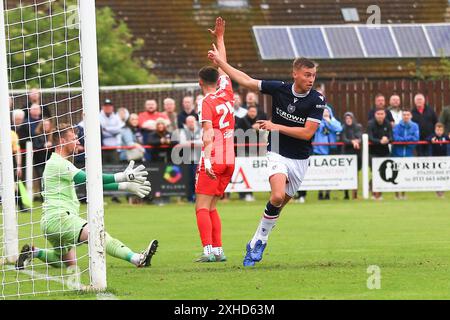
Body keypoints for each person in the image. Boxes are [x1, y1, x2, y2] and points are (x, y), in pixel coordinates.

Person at [208, 19, 325, 267]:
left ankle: (255, 240)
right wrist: (220, 62)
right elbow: (247, 80)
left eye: (313, 75)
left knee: (279, 206)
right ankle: (260, 241)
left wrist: (276, 125)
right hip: (278, 152)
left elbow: (306, 133)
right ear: (295, 74)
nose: (311, 79)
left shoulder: (317, 100)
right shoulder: (280, 88)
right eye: (307, 75)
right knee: (277, 196)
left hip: (301, 159)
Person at [15, 123, 158, 270]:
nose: (78, 141)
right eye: (74, 138)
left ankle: (34, 252)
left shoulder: (59, 163)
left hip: (50, 222)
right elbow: (87, 178)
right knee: (98, 234)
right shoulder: (58, 163)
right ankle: (138, 258)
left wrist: (124, 186)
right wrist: (122, 176)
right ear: (63, 141)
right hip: (60, 219)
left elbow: (91, 185)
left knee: (65, 262)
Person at [193, 17, 235, 263]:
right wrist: (219, 39)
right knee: (213, 206)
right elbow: (225, 66)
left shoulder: (206, 102)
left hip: (215, 157)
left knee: (201, 206)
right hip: (230, 156)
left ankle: (208, 250)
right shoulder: (227, 92)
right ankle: (218, 250)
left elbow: (208, 132)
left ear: (200, 83)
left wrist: (207, 161)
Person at [312, 107, 342, 200]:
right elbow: (314, 129)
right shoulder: (318, 121)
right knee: (320, 173)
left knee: (330, 173)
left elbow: (339, 129)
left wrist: (329, 121)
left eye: (327, 111)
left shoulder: (333, 121)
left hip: (331, 150)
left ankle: (328, 193)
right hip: (319, 150)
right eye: (323, 111)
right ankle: (320, 192)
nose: (325, 113)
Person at [392, 108, 419, 200]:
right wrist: (407, 139)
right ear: (402, 116)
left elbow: (416, 138)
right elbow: (395, 138)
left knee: (405, 174)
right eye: (404, 115)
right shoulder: (397, 126)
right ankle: (396, 194)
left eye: (408, 115)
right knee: (395, 173)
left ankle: (403, 194)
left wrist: (404, 140)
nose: (406, 116)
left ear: (411, 116)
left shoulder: (415, 126)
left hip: (409, 152)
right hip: (396, 153)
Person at [367, 109, 392, 200]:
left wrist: (388, 139)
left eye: (382, 114)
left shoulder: (388, 123)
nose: (380, 115)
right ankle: (374, 194)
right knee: (375, 173)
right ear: (375, 114)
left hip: (385, 152)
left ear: (385, 115)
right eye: (378, 114)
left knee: (382, 173)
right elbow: (370, 137)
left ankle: (379, 193)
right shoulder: (370, 124)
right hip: (373, 152)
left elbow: (391, 136)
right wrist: (380, 141)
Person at [177, 115, 202, 203]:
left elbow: (203, 143)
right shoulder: (183, 132)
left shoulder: (201, 131)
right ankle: (190, 198)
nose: (190, 123)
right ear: (186, 123)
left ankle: (198, 197)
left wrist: (190, 143)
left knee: (197, 179)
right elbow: (182, 144)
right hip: (187, 159)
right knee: (189, 179)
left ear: (195, 122)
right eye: (189, 122)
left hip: (198, 159)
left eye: (192, 121)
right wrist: (195, 144)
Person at [341, 112, 362, 200]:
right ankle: (346, 194)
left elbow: (360, 137)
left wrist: (356, 141)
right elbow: (344, 138)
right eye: (347, 118)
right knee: (346, 174)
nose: (348, 120)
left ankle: (355, 194)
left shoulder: (358, 127)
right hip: (346, 153)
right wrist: (352, 142)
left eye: (350, 118)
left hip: (357, 153)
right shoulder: (343, 128)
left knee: (356, 174)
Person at [428, 122, 449, 198]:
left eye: (440, 130)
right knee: (436, 176)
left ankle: (442, 192)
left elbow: (448, 139)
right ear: (435, 130)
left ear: (443, 130)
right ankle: (437, 192)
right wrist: (431, 140)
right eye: (437, 130)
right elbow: (427, 139)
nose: (439, 132)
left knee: (443, 175)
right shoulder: (432, 136)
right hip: (435, 159)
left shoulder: (445, 136)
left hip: (444, 159)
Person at [99, 99, 122, 164]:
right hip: (101, 148)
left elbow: (119, 130)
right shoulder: (98, 116)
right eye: (106, 106)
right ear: (102, 107)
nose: (108, 108)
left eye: (109, 106)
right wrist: (113, 131)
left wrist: (105, 129)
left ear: (112, 107)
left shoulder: (116, 117)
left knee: (115, 168)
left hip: (114, 148)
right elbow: (100, 132)